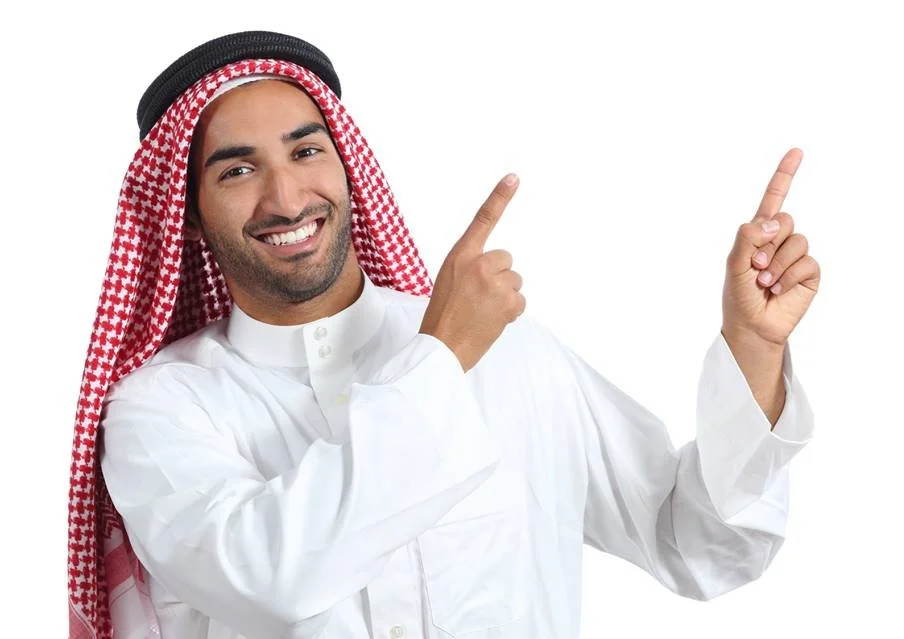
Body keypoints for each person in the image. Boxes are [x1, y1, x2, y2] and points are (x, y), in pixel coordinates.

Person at [66, 30, 819, 639]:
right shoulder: (160, 412)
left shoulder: (514, 354)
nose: (286, 197)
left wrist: (754, 350)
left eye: (306, 151)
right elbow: (274, 581)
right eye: (237, 171)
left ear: (346, 167)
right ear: (188, 215)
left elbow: (698, 544)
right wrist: (444, 357)